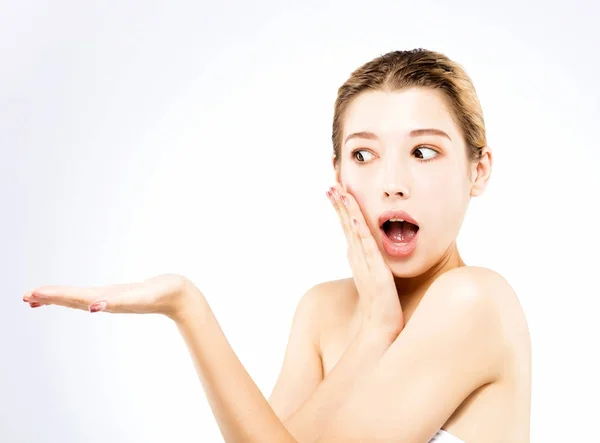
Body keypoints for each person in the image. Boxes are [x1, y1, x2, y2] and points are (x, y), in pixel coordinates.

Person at [22, 48, 532, 442]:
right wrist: (374, 329)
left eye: (423, 151)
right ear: (337, 173)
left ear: (478, 170)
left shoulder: (473, 302)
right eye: (363, 154)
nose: (391, 182)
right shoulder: (322, 310)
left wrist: (188, 309)